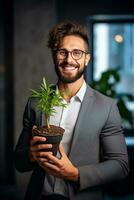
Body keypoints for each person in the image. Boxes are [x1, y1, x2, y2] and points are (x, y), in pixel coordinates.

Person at [14, 21, 129, 200]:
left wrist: (75, 174)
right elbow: (18, 162)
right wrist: (30, 155)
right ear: (54, 56)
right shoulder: (35, 103)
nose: (69, 60)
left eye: (77, 53)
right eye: (62, 52)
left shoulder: (106, 107)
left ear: (87, 58)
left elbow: (120, 165)